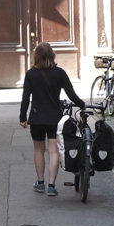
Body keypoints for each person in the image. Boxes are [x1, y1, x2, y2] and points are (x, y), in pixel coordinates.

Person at [19, 42, 86, 196]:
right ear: (52, 55)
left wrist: (23, 117)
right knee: (53, 151)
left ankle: (40, 182)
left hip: (36, 118)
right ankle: (51, 185)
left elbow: (25, 98)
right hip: (55, 118)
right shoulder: (59, 73)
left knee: (38, 150)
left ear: (36, 56)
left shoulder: (31, 74)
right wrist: (82, 105)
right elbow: (71, 94)